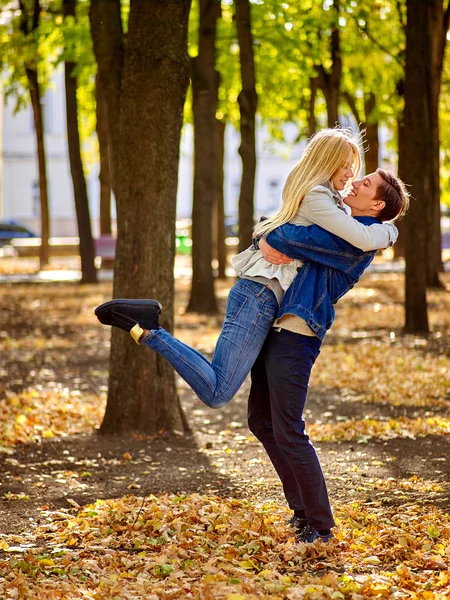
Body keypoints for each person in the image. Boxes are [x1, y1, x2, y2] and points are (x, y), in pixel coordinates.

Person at [95, 129, 397, 410]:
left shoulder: (325, 197)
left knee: (228, 394)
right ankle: (148, 328)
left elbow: (294, 233)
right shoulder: (318, 196)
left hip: (261, 295)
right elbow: (356, 238)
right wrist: (390, 233)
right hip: (259, 295)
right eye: (345, 165)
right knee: (218, 392)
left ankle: (147, 327)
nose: (351, 174)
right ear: (327, 161)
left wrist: (267, 234)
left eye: (353, 168)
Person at [246, 168, 409, 544]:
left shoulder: (355, 242)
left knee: (288, 428)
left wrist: (269, 229)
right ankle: (303, 511)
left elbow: (286, 235)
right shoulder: (352, 228)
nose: (357, 182)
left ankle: (319, 524)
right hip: (280, 326)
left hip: (297, 332)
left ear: (377, 204)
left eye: (366, 184)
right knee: (261, 420)